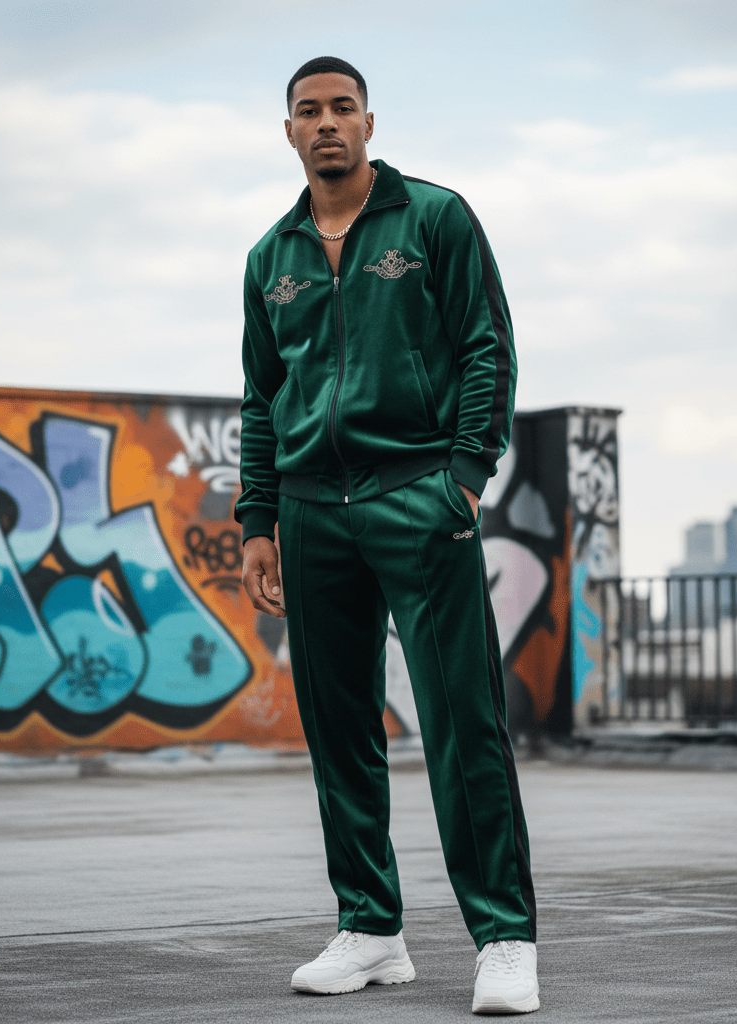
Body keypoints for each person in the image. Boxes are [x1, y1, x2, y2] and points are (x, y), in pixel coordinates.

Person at [235, 55, 539, 1015]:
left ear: (368, 122)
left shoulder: (436, 217)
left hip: (419, 493)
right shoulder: (269, 257)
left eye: (342, 108)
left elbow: (488, 343)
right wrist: (257, 520)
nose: (326, 124)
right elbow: (263, 396)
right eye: (307, 112)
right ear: (289, 133)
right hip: (311, 508)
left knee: (462, 725)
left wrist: (463, 477)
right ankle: (370, 928)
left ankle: (504, 938)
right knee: (338, 728)